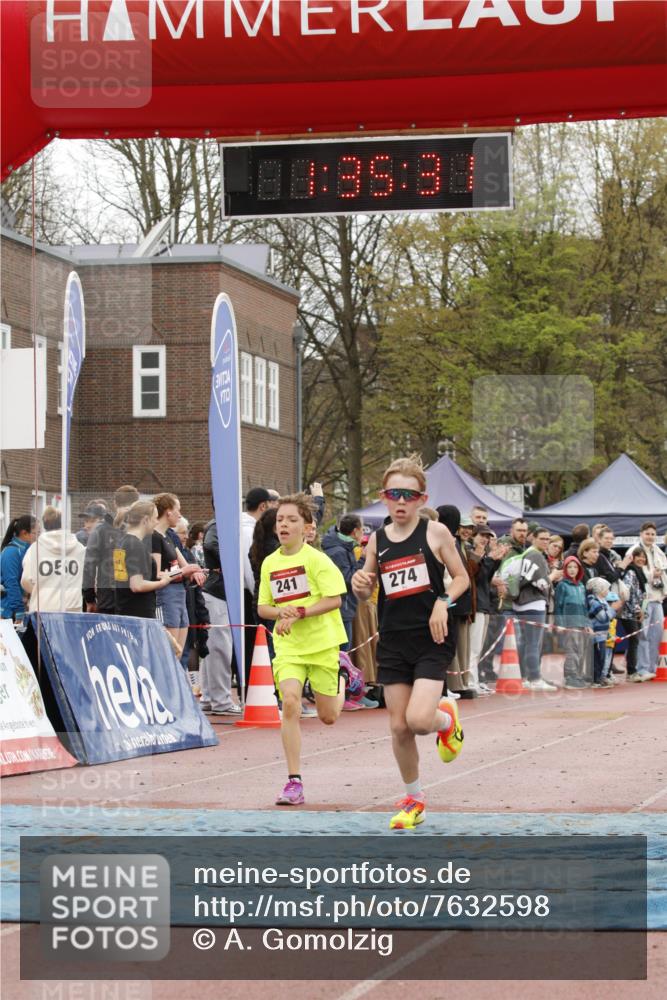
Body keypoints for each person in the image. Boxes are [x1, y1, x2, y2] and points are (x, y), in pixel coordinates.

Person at [352, 456, 469, 831]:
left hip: (432, 637)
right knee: (399, 727)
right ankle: (414, 799)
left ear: (422, 499)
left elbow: (461, 578)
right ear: (383, 497)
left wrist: (443, 601)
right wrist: (359, 584)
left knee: (418, 721)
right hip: (393, 639)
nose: (400, 502)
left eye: (408, 495)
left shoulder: (436, 533)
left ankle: (445, 720)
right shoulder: (378, 539)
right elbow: (367, 588)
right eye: (393, 494)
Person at [258, 492, 349, 807]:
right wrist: (280, 612)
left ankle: (344, 679)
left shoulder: (317, 560)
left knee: (328, 716)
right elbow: (263, 607)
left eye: (291, 520)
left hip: (322, 643)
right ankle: (293, 781)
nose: (284, 525)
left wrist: (299, 612)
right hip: (289, 646)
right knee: (290, 704)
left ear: (307, 527)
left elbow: (335, 599)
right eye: (280, 520)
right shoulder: (270, 563)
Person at [199, 506, 242, 716]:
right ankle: (220, 700)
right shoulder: (218, 525)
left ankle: (210, 697)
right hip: (217, 591)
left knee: (214, 648)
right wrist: (230, 563)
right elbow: (211, 543)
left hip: (216, 591)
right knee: (219, 647)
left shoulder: (218, 525)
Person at [152, 493, 206, 656]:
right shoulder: (154, 537)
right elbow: (156, 574)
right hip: (166, 594)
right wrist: (184, 571)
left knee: (179, 652)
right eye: (178, 510)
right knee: (169, 651)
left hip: (180, 593)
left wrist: (195, 571)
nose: (180, 514)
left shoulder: (169, 535)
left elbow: (184, 564)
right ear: (168, 511)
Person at [513, 527, 562, 691]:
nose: (546, 542)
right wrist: (553, 576)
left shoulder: (526, 554)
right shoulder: (536, 555)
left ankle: (525, 677)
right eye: (542, 538)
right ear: (532, 538)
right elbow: (541, 583)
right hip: (533, 603)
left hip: (521, 603)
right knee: (533, 643)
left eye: (548, 539)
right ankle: (534, 678)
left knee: (526, 642)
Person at [436, 505, 475, 698]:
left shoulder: (456, 543)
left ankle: (455, 683)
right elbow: (450, 575)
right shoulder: (447, 543)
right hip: (450, 601)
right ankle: (450, 685)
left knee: (458, 646)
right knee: (449, 645)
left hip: (456, 601)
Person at [83, 484, 139, 613]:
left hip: (109, 598)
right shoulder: (142, 530)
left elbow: (89, 565)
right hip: (135, 597)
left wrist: (89, 598)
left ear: (114, 503)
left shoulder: (101, 530)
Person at [21, 506, 85, 613]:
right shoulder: (79, 549)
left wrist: (40, 590)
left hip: (43, 607)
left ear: (44, 525)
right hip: (72, 608)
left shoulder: (35, 549)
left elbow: (26, 580)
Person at [113, 501, 170, 618]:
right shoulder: (136, 545)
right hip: (139, 613)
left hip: (124, 608)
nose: (157, 522)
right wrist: (163, 582)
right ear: (145, 520)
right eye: (155, 518)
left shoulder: (123, 542)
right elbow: (137, 585)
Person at [321, 514, 365, 652]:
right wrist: (363, 559)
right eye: (362, 530)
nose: (363, 534)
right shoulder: (338, 551)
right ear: (356, 531)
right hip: (341, 608)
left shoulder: (342, 547)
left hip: (343, 606)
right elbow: (348, 579)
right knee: (343, 651)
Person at [636, 521, 667, 677]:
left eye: (653, 534)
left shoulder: (658, 551)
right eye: (647, 533)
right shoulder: (635, 550)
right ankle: (641, 668)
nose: (650, 536)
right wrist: (651, 574)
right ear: (641, 534)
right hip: (644, 599)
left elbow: (664, 573)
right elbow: (635, 573)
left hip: (658, 598)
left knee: (657, 634)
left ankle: (652, 668)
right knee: (643, 634)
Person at [554, 555, 589, 688]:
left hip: (581, 624)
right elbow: (558, 606)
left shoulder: (581, 586)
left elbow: (584, 607)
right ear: (565, 569)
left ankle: (577, 675)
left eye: (575, 567)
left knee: (580, 650)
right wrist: (560, 624)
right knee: (572, 650)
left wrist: (587, 624)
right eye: (569, 567)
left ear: (579, 569)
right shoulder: (562, 585)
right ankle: (570, 677)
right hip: (569, 624)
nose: (572, 569)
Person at [0, 515, 37, 620]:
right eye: (36, 533)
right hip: (8, 612)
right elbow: (11, 582)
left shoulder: (27, 550)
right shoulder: (11, 552)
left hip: (20, 608)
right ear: (24, 533)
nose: (37, 537)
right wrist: (19, 611)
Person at [622, 547, 649, 681]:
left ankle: (633, 669)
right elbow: (627, 593)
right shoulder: (631, 572)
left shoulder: (641, 573)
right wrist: (637, 610)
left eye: (643, 557)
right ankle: (631, 672)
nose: (641, 559)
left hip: (637, 613)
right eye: (638, 556)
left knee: (635, 641)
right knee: (634, 640)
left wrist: (643, 611)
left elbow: (642, 595)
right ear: (633, 558)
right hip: (628, 613)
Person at [585, 577, 615, 688]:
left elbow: (608, 617)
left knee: (602, 657)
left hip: (603, 634)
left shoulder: (603, 602)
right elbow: (603, 617)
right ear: (599, 589)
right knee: (598, 657)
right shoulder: (594, 602)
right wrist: (611, 610)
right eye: (606, 589)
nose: (608, 591)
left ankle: (599, 678)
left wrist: (609, 612)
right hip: (597, 636)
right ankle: (595, 680)